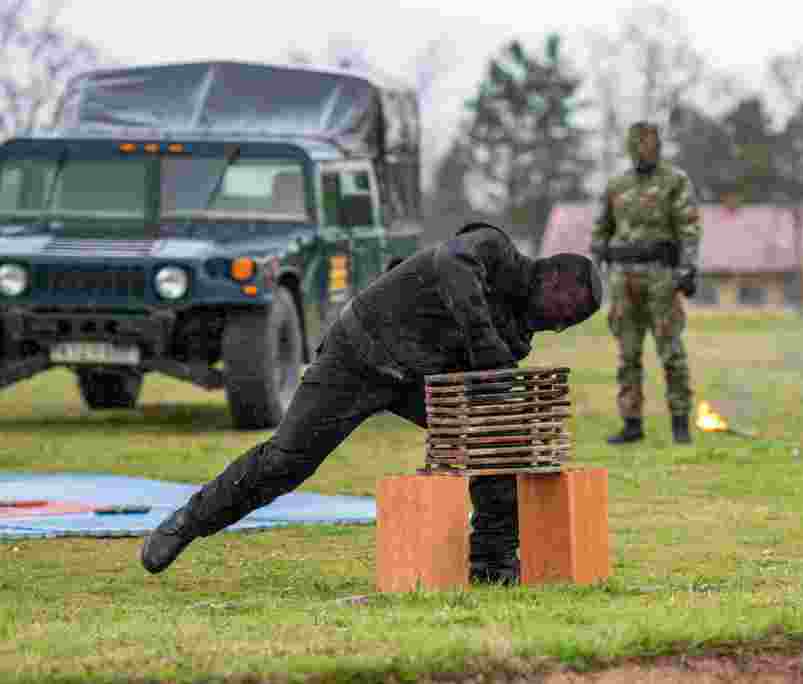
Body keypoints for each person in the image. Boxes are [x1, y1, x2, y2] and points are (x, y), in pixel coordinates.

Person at [140, 222, 603, 583]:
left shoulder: (518, 335)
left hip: (418, 382)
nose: (561, 325)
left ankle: (491, 562)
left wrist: (500, 399)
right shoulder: (491, 248)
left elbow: (488, 384)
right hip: (357, 355)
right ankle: (187, 522)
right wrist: (485, 346)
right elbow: (452, 264)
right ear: (552, 277)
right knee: (284, 463)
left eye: (571, 323)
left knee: (497, 440)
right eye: (567, 310)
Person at [591, 121, 703, 445]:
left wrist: (687, 268)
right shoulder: (617, 185)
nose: (645, 150)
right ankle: (631, 423)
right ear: (630, 147)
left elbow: (689, 228)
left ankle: (680, 423)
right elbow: (601, 230)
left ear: (658, 146)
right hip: (623, 280)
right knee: (627, 355)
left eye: (650, 144)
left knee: (671, 353)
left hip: (661, 279)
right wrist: (594, 267)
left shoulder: (675, 181)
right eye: (639, 144)